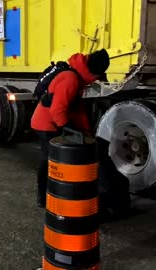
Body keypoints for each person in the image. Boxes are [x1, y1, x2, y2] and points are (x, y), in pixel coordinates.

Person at [30, 49, 111, 208]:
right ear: (93, 73)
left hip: (54, 122)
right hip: (45, 124)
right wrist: (67, 128)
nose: (95, 81)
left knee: (55, 160)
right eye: (97, 77)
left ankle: (54, 194)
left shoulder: (77, 77)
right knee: (49, 160)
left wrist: (85, 131)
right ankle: (43, 196)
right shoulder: (70, 78)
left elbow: (76, 109)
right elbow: (57, 110)